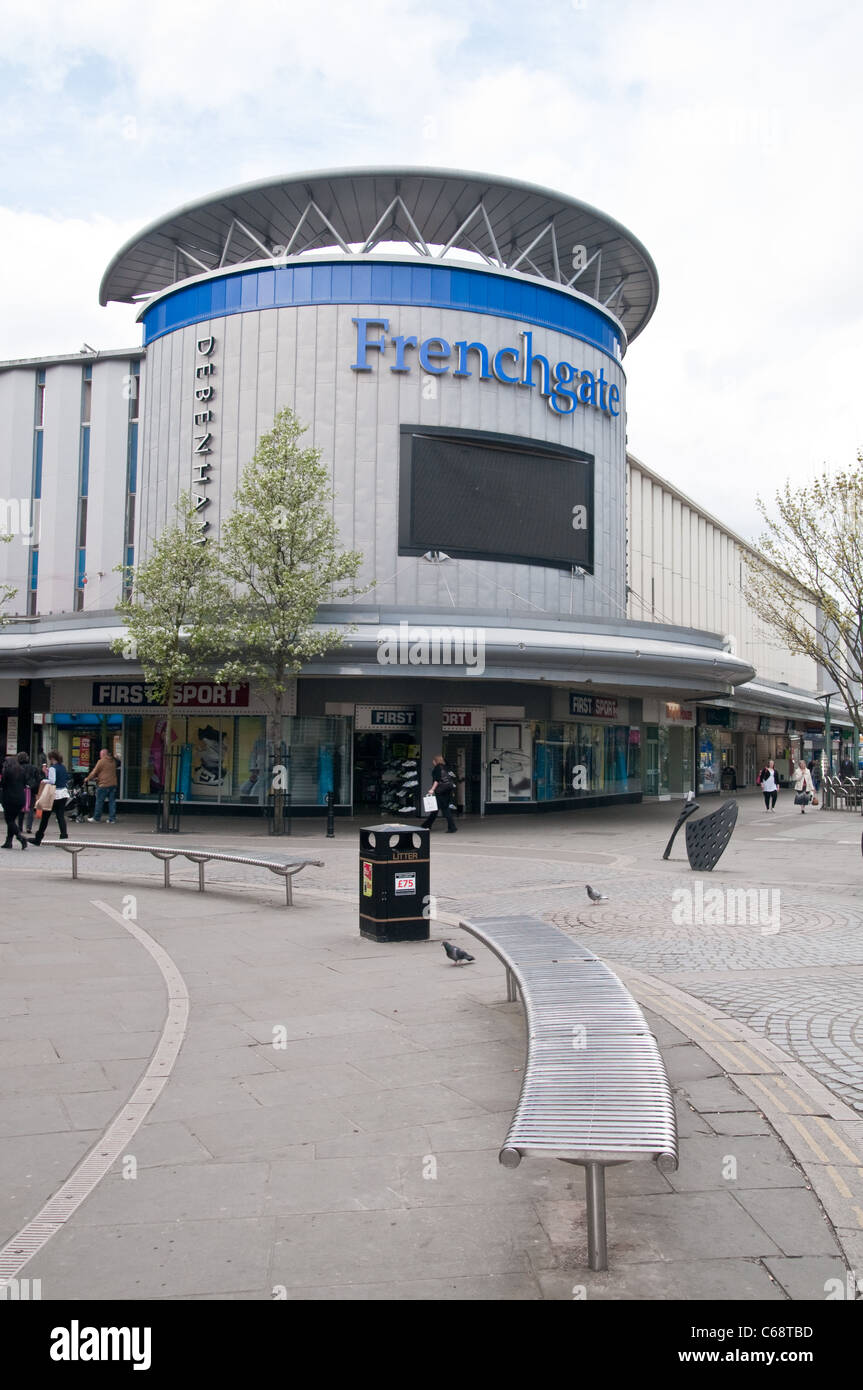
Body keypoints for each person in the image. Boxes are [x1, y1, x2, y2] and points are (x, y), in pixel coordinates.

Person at [29, 750, 71, 844]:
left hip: (54, 794)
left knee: (45, 817)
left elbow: (52, 781)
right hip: (63, 793)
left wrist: (44, 780)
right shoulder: (63, 767)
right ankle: (64, 835)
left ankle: (38, 838)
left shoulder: (53, 768)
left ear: (52, 758)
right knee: (60, 816)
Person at [421, 754, 458, 833]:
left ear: (435, 761)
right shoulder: (446, 767)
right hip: (448, 790)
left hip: (441, 791)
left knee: (445, 809)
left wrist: (432, 789)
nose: (432, 762)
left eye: (433, 760)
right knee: (435, 809)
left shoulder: (437, 768)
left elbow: (437, 780)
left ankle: (452, 827)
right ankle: (427, 824)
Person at [0, 755, 28, 850]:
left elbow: (3, 785)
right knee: (12, 819)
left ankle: (20, 837)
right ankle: (9, 841)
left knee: (9, 820)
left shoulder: (7, 772)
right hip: (20, 798)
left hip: (9, 798)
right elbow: (25, 784)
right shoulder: (22, 771)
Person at [86, 747, 119, 824]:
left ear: (103, 754)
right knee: (112, 802)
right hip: (113, 784)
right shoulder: (113, 761)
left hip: (103, 784)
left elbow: (94, 772)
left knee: (99, 801)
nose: (100, 756)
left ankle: (96, 818)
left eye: (100, 754)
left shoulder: (101, 761)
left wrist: (87, 778)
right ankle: (112, 819)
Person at [15, 750, 41, 838]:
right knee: (30, 808)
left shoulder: (17, 768)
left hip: (20, 790)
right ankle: (29, 827)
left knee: (20, 809)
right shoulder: (34, 768)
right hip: (31, 790)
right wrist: (35, 789)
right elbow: (38, 779)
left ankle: (20, 827)